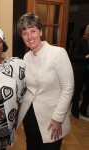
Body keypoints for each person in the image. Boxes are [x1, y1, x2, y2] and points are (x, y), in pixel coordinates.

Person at [16, 12, 74, 150]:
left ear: (41, 31)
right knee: (32, 146)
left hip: (51, 116)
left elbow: (68, 88)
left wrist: (58, 118)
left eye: (33, 31)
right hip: (30, 115)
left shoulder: (58, 53)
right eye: (25, 33)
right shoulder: (26, 57)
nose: (29, 36)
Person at [71, 25, 89, 119]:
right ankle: (74, 111)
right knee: (78, 90)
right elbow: (73, 56)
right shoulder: (80, 41)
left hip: (88, 70)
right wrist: (85, 57)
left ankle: (83, 109)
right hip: (80, 69)